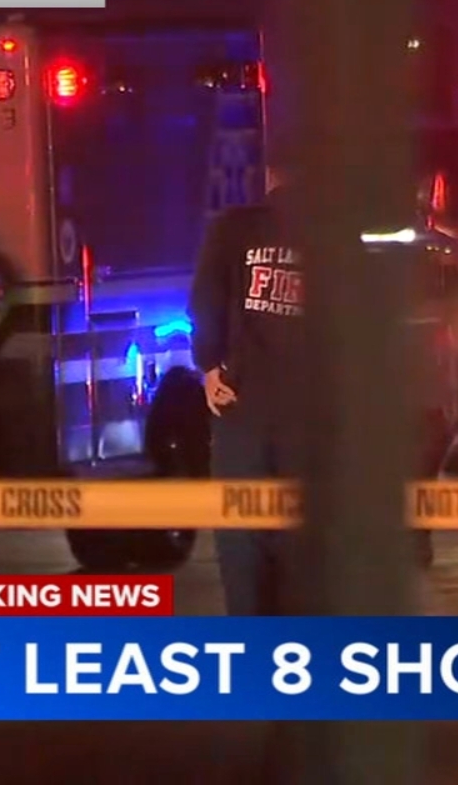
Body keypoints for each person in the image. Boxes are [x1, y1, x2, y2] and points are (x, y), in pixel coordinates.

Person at [189, 164, 304, 616]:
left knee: (242, 532)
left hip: (243, 401)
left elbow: (206, 299)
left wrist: (209, 366)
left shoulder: (232, 229)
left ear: (271, 175)